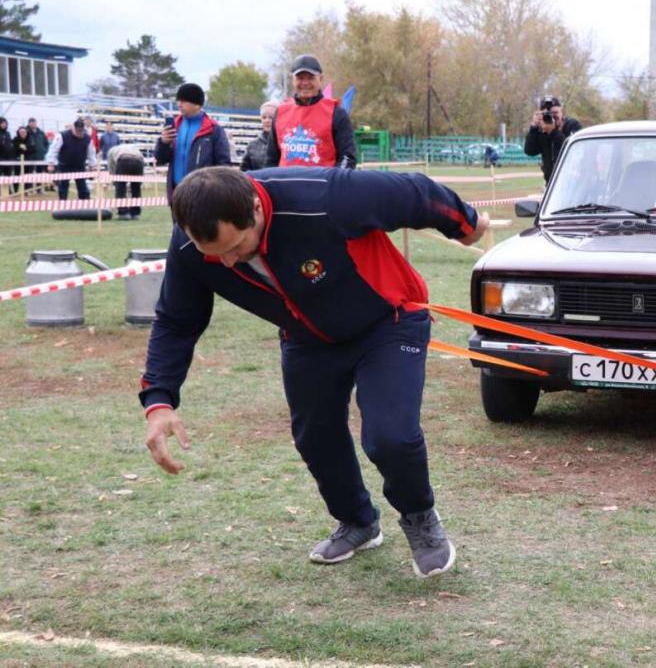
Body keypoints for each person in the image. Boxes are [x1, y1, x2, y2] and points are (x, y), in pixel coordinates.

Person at [140, 165, 489, 578]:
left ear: (254, 207)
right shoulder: (190, 247)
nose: (228, 261)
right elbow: (177, 321)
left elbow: (413, 192)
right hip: (306, 335)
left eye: (236, 246)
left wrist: (465, 223)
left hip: (387, 320)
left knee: (390, 436)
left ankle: (419, 517)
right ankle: (358, 521)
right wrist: (159, 399)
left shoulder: (321, 197)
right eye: (214, 253)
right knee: (315, 437)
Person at [267, 55, 357, 168]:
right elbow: (271, 159)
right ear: (293, 80)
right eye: (300, 78)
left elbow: (347, 158)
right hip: (286, 184)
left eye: (310, 78)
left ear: (321, 78)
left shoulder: (336, 113)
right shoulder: (280, 112)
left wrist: (333, 183)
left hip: (323, 184)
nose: (305, 83)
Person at [155, 83, 231, 201]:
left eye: (184, 101)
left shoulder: (214, 129)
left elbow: (223, 164)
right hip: (177, 193)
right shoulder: (175, 126)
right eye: (178, 100)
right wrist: (163, 143)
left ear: (197, 104)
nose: (179, 104)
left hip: (204, 195)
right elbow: (161, 159)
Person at [524, 95, 582, 185]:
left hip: (573, 183)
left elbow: (573, 149)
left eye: (555, 113)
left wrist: (553, 131)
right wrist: (533, 127)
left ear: (562, 112)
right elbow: (529, 151)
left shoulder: (572, 125)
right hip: (552, 183)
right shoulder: (542, 130)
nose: (552, 117)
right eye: (547, 114)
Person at [44, 117, 97, 200]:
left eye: (81, 131)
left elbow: (91, 153)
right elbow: (53, 150)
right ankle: (63, 207)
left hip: (80, 166)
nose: (79, 132)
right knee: (63, 188)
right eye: (77, 130)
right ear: (73, 128)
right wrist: (51, 163)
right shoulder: (62, 135)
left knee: (83, 189)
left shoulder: (87, 138)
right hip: (64, 166)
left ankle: (85, 207)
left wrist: (92, 166)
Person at [109, 142, 145, 220]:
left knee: (120, 188)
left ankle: (123, 212)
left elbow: (111, 166)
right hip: (138, 161)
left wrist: (114, 181)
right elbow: (142, 160)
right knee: (136, 189)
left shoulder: (111, 151)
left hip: (123, 160)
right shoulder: (135, 149)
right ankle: (135, 213)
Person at [240, 100, 278, 171]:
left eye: (271, 117)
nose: (267, 120)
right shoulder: (252, 145)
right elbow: (244, 170)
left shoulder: (283, 144)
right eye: (264, 117)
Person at [25, 117, 48, 193]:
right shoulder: (25, 131)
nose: (33, 123)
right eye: (31, 122)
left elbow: (46, 143)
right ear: (29, 123)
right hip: (29, 156)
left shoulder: (41, 132)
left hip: (40, 156)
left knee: (40, 173)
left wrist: (44, 150)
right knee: (29, 173)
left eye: (34, 122)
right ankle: (28, 189)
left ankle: (39, 189)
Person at [12, 126, 29, 194]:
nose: (22, 133)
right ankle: (15, 191)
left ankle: (26, 191)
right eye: (21, 132)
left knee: (27, 176)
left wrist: (26, 148)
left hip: (27, 160)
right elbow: (13, 149)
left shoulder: (29, 139)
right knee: (17, 175)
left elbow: (33, 149)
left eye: (24, 132)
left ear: (26, 132)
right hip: (17, 160)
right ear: (18, 133)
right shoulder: (15, 139)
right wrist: (20, 147)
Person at [0, 117, 13, 193]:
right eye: (2, 123)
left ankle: (8, 190)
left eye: (5, 123)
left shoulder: (8, 133)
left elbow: (9, 144)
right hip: (0, 157)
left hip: (8, 157)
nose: (4, 125)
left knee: (8, 174)